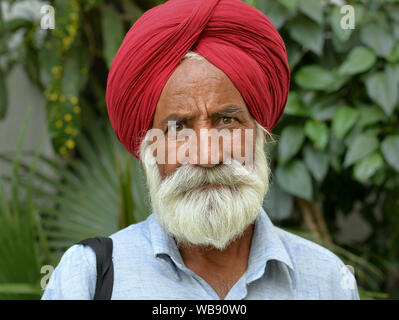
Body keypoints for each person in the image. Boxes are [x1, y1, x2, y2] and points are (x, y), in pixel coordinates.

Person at [42, 0, 359, 300]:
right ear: (150, 146)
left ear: (260, 134)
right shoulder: (87, 277)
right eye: (178, 128)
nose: (207, 156)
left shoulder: (328, 279)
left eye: (227, 120)